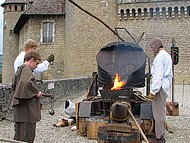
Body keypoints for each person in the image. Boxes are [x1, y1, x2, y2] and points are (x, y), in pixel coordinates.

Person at [11, 51, 43, 143]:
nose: (36, 66)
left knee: (20, 135)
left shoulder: (20, 68)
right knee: (26, 136)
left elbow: (15, 85)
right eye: (37, 63)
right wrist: (36, 92)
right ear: (32, 60)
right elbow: (25, 83)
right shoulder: (26, 68)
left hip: (22, 111)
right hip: (26, 112)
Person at [146, 37, 173, 143]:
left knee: (159, 113)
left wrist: (153, 92)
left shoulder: (159, 58)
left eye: (152, 47)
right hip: (163, 86)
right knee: (159, 111)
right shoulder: (166, 55)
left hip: (160, 88)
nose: (152, 50)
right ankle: (159, 135)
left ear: (157, 46)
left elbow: (158, 76)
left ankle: (159, 138)